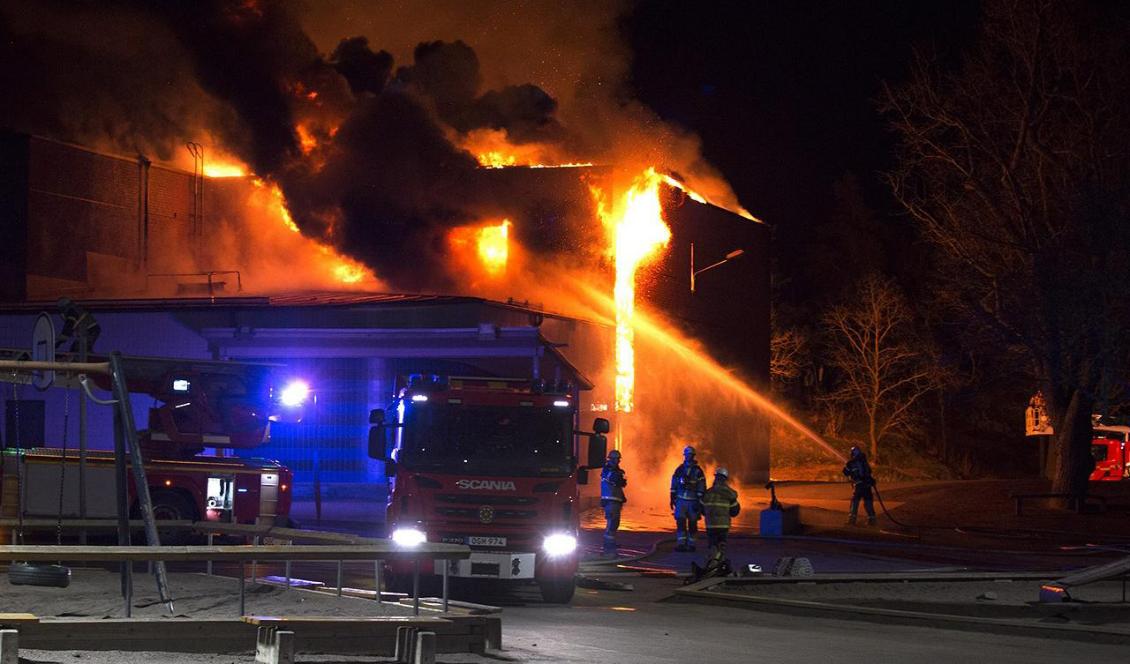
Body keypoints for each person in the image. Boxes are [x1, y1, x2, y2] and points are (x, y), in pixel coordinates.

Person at [670, 445, 706, 551]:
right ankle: (681, 544)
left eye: (690, 455)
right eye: (687, 455)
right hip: (681, 501)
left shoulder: (698, 471)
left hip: (692, 501)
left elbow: (702, 486)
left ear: (693, 456)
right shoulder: (679, 469)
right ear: (684, 456)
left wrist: (699, 501)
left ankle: (691, 545)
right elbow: (674, 483)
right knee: (680, 522)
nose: (688, 457)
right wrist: (672, 497)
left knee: (692, 524)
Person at [701, 467, 740, 560]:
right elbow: (735, 511)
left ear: (715, 478)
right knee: (722, 544)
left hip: (710, 525)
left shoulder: (707, 493)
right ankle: (720, 561)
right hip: (724, 525)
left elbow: (701, 509)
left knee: (712, 545)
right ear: (725, 479)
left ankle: (712, 562)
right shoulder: (729, 494)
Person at [600, 449, 627, 556]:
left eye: (618, 459)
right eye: (615, 459)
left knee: (614, 523)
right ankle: (608, 546)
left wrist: (623, 497)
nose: (617, 461)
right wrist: (621, 478)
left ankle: (610, 543)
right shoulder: (607, 470)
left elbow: (618, 486)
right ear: (610, 459)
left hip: (614, 501)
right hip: (610, 501)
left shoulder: (615, 470)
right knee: (612, 523)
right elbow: (615, 480)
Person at [842, 446, 876, 526]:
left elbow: (845, 472)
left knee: (855, 502)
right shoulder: (864, 462)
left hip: (859, 486)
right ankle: (872, 521)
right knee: (868, 503)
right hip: (867, 486)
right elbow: (869, 472)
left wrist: (847, 466)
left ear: (852, 453)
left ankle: (852, 521)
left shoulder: (851, 463)